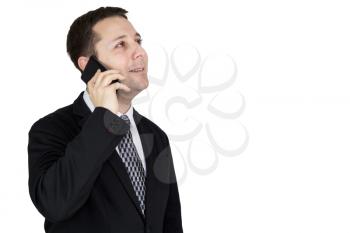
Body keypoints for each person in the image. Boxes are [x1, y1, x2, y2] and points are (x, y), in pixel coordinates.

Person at [27, 6, 183, 233]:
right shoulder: (50, 129)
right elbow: (55, 204)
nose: (139, 52)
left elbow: (170, 223)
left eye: (138, 41)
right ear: (89, 66)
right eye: (121, 44)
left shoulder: (156, 136)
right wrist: (104, 119)